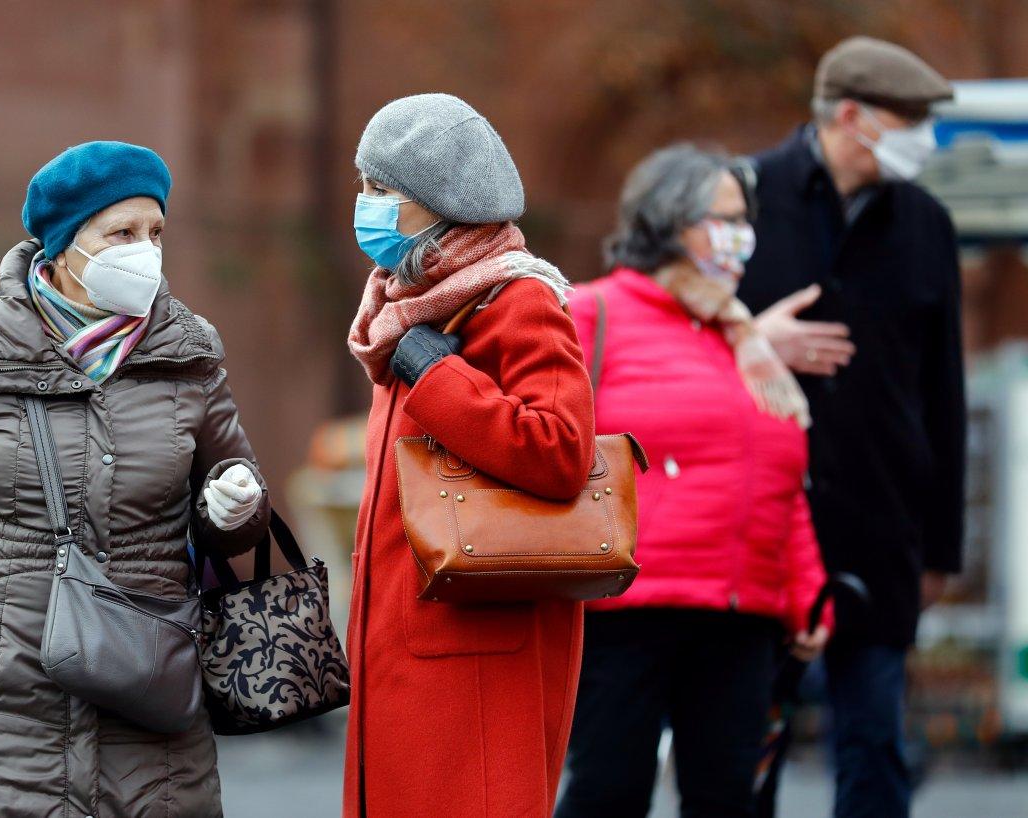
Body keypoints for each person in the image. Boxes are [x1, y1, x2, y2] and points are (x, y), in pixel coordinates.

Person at [0, 141, 271, 817]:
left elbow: (234, 508)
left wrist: (234, 505)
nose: (145, 251)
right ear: (64, 244)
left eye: (155, 232)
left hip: (147, 717)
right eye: (121, 233)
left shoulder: (188, 357)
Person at [554, 144, 830, 818]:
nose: (742, 234)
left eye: (746, 218)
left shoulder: (742, 338)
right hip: (624, 612)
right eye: (723, 216)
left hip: (739, 617)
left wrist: (808, 590)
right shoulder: (592, 314)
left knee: (731, 799)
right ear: (668, 221)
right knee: (608, 793)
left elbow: (780, 479)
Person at [344, 93, 595, 817]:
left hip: (478, 657)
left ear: (442, 201)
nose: (366, 206)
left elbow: (560, 450)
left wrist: (437, 375)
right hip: (409, 646)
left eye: (383, 190)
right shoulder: (406, 308)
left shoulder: (516, 299)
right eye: (363, 185)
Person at [737, 37, 965, 818]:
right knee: (744, 748)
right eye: (912, 121)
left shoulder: (927, 225)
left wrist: (940, 547)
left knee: (874, 747)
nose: (923, 141)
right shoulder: (744, 197)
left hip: (881, 526)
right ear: (851, 115)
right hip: (758, 524)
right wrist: (751, 339)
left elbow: (946, 391)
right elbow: (672, 337)